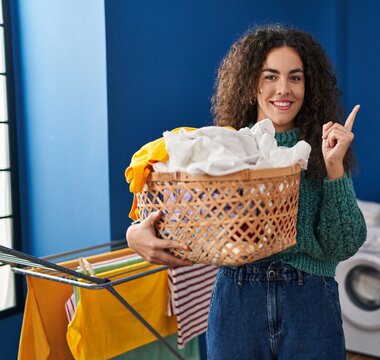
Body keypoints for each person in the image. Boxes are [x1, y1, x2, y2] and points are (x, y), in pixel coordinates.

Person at [126, 24, 366, 359]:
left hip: (310, 303)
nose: (283, 89)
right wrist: (135, 233)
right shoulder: (226, 149)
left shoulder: (322, 151)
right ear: (251, 82)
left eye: (295, 77)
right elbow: (175, 207)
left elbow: (344, 243)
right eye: (270, 76)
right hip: (237, 304)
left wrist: (335, 167)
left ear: (309, 85)